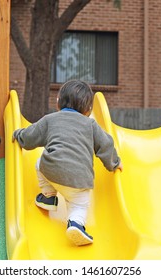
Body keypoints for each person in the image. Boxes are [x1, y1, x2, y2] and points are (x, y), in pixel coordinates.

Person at [12, 79, 123, 246]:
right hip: (80, 180)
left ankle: (48, 196)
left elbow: (29, 138)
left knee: (39, 162)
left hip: (51, 170)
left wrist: (18, 134)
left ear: (58, 102)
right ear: (88, 110)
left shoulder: (50, 120)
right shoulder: (90, 124)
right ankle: (76, 224)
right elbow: (105, 145)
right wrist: (114, 163)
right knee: (79, 206)